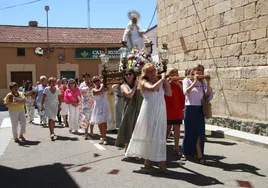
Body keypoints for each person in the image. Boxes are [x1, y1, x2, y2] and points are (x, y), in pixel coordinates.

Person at [125, 63, 172, 173]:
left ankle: (161, 163)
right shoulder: (143, 81)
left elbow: (169, 93)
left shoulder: (160, 80)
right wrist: (163, 79)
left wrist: (164, 81)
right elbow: (152, 88)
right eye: (149, 71)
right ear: (145, 73)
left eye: (153, 70)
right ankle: (147, 161)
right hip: (148, 111)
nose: (152, 72)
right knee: (149, 135)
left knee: (160, 134)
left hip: (160, 111)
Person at [181, 65, 212, 164]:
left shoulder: (203, 82)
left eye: (201, 71)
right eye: (197, 70)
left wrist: (208, 82)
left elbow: (208, 95)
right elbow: (186, 92)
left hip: (199, 108)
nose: (199, 72)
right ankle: (185, 152)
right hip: (190, 108)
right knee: (189, 132)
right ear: (193, 71)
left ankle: (199, 155)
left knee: (200, 133)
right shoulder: (187, 80)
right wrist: (194, 82)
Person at [115, 69, 143, 152]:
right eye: (126, 75)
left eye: (130, 74)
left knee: (137, 128)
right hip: (128, 109)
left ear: (134, 75)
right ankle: (128, 147)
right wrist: (135, 85)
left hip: (139, 108)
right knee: (128, 127)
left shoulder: (140, 84)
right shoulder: (123, 86)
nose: (128, 76)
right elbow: (129, 95)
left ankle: (137, 149)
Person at [165, 68, 185, 156]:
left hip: (177, 108)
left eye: (176, 72)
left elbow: (184, 92)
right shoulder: (166, 83)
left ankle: (176, 147)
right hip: (168, 108)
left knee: (177, 127)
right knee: (167, 127)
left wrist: (176, 82)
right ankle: (163, 145)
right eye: (172, 72)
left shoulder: (180, 82)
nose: (174, 74)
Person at [90, 76, 111, 145]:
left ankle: (104, 137)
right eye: (94, 81)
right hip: (98, 106)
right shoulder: (93, 89)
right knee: (100, 122)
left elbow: (106, 89)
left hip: (105, 106)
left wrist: (103, 84)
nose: (96, 82)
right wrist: (101, 84)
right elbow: (98, 92)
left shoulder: (104, 87)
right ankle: (101, 134)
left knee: (104, 122)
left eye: (97, 80)